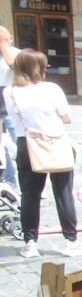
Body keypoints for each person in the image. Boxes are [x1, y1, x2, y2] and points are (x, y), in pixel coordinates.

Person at [3, 49, 82, 258]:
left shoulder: (10, 91)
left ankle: (30, 243)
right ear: (38, 68)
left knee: (30, 195)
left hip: (26, 144)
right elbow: (67, 118)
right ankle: (71, 240)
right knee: (63, 193)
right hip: (55, 141)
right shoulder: (51, 89)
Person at [0, 27, 18, 188]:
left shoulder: (16, 53)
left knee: (18, 143)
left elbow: (14, 67)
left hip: (11, 104)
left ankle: (29, 182)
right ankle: (9, 181)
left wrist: (4, 46)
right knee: (1, 147)